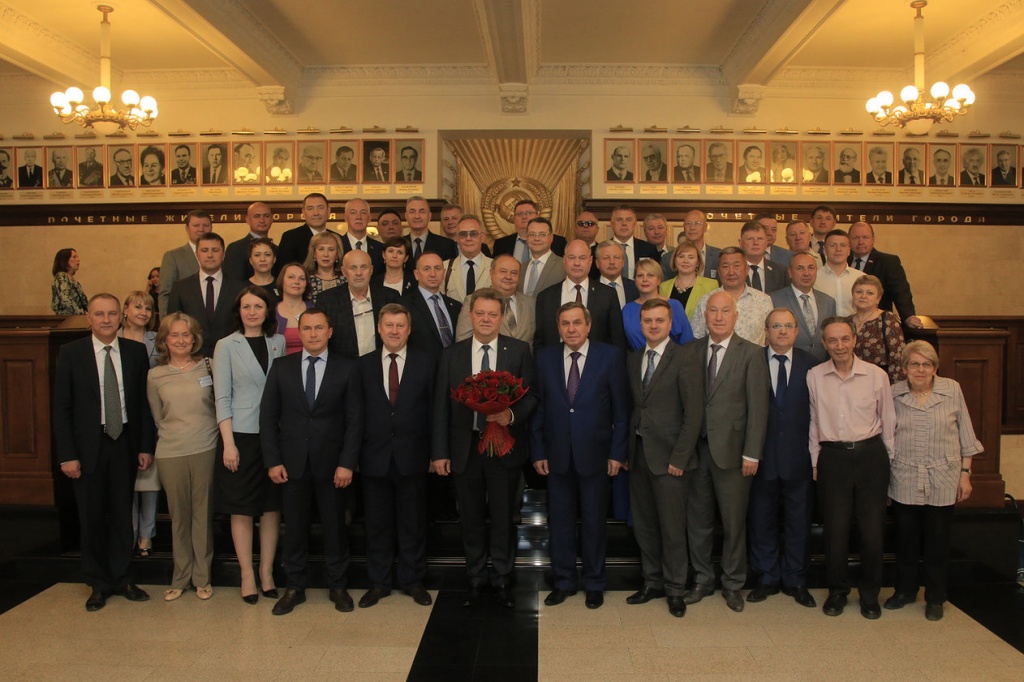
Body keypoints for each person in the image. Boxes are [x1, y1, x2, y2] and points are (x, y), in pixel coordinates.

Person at [432, 288, 537, 608]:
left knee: (504, 517)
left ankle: (503, 577)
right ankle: (476, 577)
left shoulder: (518, 350)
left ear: (502, 317)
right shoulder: (452, 355)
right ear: (470, 316)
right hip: (466, 449)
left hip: (504, 448)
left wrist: (511, 415)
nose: (486, 319)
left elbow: (531, 396)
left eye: (493, 314)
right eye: (480, 313)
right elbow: (441, 407)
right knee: (471, 518)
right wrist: (440, 452)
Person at [53, 293, 155, 611]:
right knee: (92, 516)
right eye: (100, 314)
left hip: (124, 442)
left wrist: (145, 446)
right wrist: (67, 455)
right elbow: (62, 408)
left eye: (112, 313)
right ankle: (98, 583)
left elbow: (143, 405)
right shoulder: (72, 353)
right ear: (89, 317)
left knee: (123, 515)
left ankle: (123, 578)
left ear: (121, 316)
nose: (107, 319)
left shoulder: (135, 352)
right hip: (87, 448)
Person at [260, 308, 363, 615]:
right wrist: (273, 461)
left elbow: (355, 420)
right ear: (299, 332)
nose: (313, 334)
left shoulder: (348, 369)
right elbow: (268, 418)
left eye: (319, 328)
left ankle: (338, 586)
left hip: (334, 466)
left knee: (335, 528)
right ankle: (295, 587)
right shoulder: (281, 367)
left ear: (330, 332)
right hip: (291, 465)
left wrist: (347, 463)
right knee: (294, 529)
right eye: (307, 328)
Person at [532, 302, 629, 609]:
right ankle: (563, 581)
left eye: (577, 323)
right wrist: (538, 450)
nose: (571, 329)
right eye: (565, 323)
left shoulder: (609, 356)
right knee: (560, 523)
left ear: (588, 326)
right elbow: (539, 407)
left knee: (594, 522)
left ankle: (595, 582)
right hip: (556, 455)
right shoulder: (545, 358)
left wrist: (617, 453)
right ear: (558, 328)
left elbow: (621, 411)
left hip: (597, 456)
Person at [682, 290, 770, 613]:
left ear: (736, 316)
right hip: (696, 452)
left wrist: (752, 453)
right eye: (713, 311)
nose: (718, 317)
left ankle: (733, 583)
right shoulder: (690, 351)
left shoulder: (752, 353)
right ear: (705, 316)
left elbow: (758, 408)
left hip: (734, 454)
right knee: (698, 521)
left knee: (734, 523)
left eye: (725, 311)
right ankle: (703, 579)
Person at [885, 341, 983, 621]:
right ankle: (905, 591)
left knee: (937, 541)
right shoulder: (893, 393)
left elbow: (966, 435)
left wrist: (966, 474)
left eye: (926, 364)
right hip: (904, 475)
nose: (920, 370)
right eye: (914, 364)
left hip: (943, 476)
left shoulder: (952, 389)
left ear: (935, 368)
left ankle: (936, 597)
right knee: (905, 540)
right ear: (904, 368)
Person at [808, 317, 895, 619]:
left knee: (872, 532)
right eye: (832, 340)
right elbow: (813, 421)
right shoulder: (815, 376)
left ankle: (870, 595)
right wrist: (815, 460)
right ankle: (837, 592)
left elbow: (888, 420)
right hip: (833, 458)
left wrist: (889, 463)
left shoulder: (875, 375)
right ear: (824, 343)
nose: (840, 346)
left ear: (855, 340)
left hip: (871, 456)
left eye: (845, 339)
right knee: (835, 531)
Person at [625, 299, 703, 617]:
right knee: (644, 526)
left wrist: (680, 458)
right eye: (648, 321)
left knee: (672, 528)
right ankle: (652, 581)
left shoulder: (685, 358)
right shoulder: (633, 358)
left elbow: (694, 414)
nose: (653, 325)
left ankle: (675, 589)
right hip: (639, 455)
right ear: (640, 324)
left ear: (671, 324)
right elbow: (635, 407)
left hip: (671, 459)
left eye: (659, 320)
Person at [356, 303, 434, 608]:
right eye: (389, 325)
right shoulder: (362, 366)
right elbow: (355, 415)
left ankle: (413, 581)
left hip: (413, 456)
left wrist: (436, 453)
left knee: (413, 522)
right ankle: (379, 582)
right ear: (379, 329)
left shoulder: (426, 363)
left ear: (409, 330)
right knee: (377, 524)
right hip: (373, 458)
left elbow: (434, 410)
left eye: (400, 325)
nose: (394, 331)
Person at [213, 286, 285, 604]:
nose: (252, 312)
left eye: (258, 306)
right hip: (240, 436)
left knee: (271, 508)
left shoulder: (278, 341)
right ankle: (246, 574)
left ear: (268, 310)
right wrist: (228, 443)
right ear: (238, 311)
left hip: (274, 436)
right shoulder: (226, 345)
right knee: (242, 509)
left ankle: (267, 572)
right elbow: (221, 396)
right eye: (246, 307)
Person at [746, 309, 816, 608]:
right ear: (766, 331)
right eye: (776, 326)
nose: (783, 331)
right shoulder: (752, 361)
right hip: (760, 457)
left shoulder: (812, 365)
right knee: (761, 520)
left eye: (788, 326)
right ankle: (766, 577)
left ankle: (795, 578)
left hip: (799, 458)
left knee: (799, 521)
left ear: (797, 331)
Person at [147, 312, 218, 602]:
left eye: (185, 335)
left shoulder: (208, 366)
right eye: (174, 335)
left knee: (202, 514)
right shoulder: (155, 375)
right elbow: (157, 416)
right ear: (164, 340)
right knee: (179, 517)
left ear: (194, 338)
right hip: (171, 451)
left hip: (205, 446)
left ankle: (202, 578)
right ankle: (180, 577)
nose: (180, 340)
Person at [118, 291, 160, 557]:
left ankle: (147, 533)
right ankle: (129, 532)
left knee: (149, 478)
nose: (143, 312)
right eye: (137, 307)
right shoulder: (114, 338)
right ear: (125, 310)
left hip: (152, 412)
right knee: (126, 479)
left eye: (148, 308)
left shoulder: (158, 340)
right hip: (123, 414)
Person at [534, 240, 626, 352]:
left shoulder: (607, 295)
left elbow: (617, 339)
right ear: (564, 260)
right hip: (556, 361)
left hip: (598, 361)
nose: (577, 263)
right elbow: (540, 342)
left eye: (582, 258)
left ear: (590, 261)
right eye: (572, 258)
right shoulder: (545, 297)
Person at [166, 232, 245, 357]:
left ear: (223, 255)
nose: (210, 255)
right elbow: (172, 324)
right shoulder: (180, 287)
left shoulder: (239, 288)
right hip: (191, 357)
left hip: (231, 356)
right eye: (204, 250)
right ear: (197, 254)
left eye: (215, 250)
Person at [317, 249, 401, 359]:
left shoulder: (390, 297)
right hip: (342, 365)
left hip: (380, 364)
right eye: (353, 268)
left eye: (363, 267)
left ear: (371, 270)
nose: (358, 273)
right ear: (344, 271)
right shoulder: (327, 300)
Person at [690, 247, 773, 346]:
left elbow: (771, 338)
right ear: (719, 270)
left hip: (754, 356)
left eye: (736, 266)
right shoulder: (706, 301)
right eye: (725, 267)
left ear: (747, 269)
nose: (731, 272)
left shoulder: (763, 300)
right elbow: (697, 339)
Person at [847, 221, 922, 328]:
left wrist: (908, 316)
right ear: (848, 240)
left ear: (873, 239)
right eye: (856, 238)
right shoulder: (843, 261)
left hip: (878, 324)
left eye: (865, 237)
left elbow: (901, 292)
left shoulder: (888, 262)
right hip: (848, 323)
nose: (861, 242)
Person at [455, 254, 535, 347]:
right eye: (503, 271)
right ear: (491, 273)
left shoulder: (531, 303)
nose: (508, 277)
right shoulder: (474, 300)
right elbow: (463, 340)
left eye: (514, 273)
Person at [769, 252, 836, 361]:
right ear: (790, 272)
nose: (806, 273)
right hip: (788, 365)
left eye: (811, 268)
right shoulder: (773, 299)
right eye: (800, 268)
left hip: (822, 366)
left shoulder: (828, 302)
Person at [623, 258, 693, 350]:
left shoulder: (674, 306)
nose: (645, 279)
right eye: (640, 275)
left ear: (659, 280)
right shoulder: (627, 310)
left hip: (672, 358)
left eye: (650, 275)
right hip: (638, 358)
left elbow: (688, 342)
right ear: (635, 280)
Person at [403, 252, 461, 360]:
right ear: (416, 274)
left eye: (437, 268)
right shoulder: (404, 305)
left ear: (444, 273)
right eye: (426, 269)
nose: (433, 274)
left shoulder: (456, 306)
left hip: (453, 366)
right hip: (421, 367)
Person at [850, 274, 906, 384]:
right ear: (853, 295)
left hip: (879, 382)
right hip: (851, 382)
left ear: (878, 298)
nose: (863, 296)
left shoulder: (888, 319)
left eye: (870, 293)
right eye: (859, 292)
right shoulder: (846, 322)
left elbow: (897, 358)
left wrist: (894, 388)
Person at [158, 209, 213, 317]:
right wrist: (166, 322)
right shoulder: (173, 257)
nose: (201, 229)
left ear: (211, 228)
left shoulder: (220, 255)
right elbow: (166, 294)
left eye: (205, 225)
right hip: (185, 321)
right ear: (187, 229)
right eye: (196, 225)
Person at [659, 239, 718, 321]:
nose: (685, 261)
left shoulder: (710, 285)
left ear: (698, 262)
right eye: (681, 256)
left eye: (691, 257)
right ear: (674, 260)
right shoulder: (664, 287)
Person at [277, 193, 339, 268]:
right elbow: (284, 270)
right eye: (310, 208)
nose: (316, 213)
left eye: (320, 208)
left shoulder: (337, 238)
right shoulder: (290, 237)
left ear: (328, 211)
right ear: (303, 212)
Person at [491, 199, 568, 260]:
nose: (524, 217)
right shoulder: (501, 244)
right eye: (520, 214)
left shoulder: (558, 242)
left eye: (529, 213)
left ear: (537, 215)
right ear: (514, 218)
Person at [441, 214, 492, 302]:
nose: (468, 238)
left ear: (482, 237)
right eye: (463, 234)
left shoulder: (495, 267)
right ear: (457, 238)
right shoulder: (444, 268)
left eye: (473, 234)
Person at [224, 202, 277, 282]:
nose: (262, 220)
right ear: (247, 220)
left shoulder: (277, 249)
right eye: (257, 216)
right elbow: (233, 282)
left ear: (272, 219)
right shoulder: (235, 248)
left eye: (266, 216)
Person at [813, 229, 861, 316]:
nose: (838, 249)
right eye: (833, 245)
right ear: (824, 250)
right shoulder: (814, 278)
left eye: (843, 245)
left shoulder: (860, 278)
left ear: (849, 250)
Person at [604, 205, 659, 279]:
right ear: (612, 224)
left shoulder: (649, 249)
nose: (624, 223)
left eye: (628, 220)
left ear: (635, 223)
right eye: (619, 220)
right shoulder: (602, 249)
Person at [666, 209, 719, 278]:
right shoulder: (668, 258)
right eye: (688, 223)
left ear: (705, 227)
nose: (692, 228)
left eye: (697, 223)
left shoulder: (718, 256)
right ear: (684, 227)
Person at [519, 217, 565, 296]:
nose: (537, 238)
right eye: (532, 234)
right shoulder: (521, 269)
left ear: (551, 238)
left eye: (542, 234)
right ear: (527, 238)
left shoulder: (563, 265)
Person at [738, 220, 789, 293]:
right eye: (750, 239)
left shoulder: (780, 272)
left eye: (760, 239)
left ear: (766, 243)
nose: (755, 243)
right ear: (740, 243)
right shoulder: (733, 271)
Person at [274, 263, 312, 355]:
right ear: (282, 281)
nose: (297, 282)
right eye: (291, 277)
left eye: (302, 278)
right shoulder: (270, 312)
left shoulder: (315, 311)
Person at [340, 198, 386, 272]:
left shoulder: (380, 249)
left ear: (369, 218)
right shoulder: (337, 246)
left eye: (363, 213)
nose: (358, 217)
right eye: (353, 213)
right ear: (345, 218)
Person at [406, 195, 457, 261]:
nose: (417, 216)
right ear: (406, 216)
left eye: (422, 211)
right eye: (412, 212)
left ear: (429, 216)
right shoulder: (399, 245)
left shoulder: (446, 245)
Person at [303, 230, 344, 304]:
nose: (326, 254)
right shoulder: (305, 280)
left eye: (331, 249)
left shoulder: (346, 280)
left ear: (337, 254)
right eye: (321, 249)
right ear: (314, 254)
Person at [593, 240, 638, 309]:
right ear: (597, 263)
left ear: (623, 262)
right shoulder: (591, 289)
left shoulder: (635, 287)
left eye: (616, 257)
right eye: (606, 258)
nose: (612, 262)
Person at [51, 248, 88, 315]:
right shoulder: (61, 277)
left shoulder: (74, 281)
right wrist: (81, 313)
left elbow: (84, 302)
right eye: (74, 257)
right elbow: (65, 299)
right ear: (64, 260)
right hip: (67, 318)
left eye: (77, 257)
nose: (78, 259)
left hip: (77, 317)